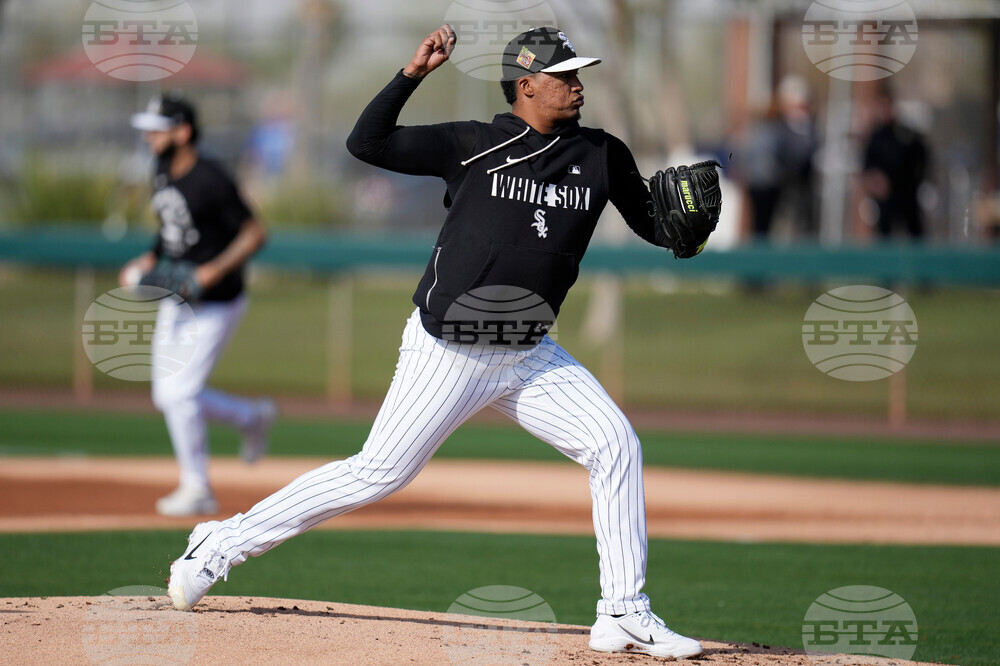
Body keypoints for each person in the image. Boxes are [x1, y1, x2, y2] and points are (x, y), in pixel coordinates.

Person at [166, 26, 703, 660]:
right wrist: (412, 74)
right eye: (564, 75)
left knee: (615, 444)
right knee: (376, 473)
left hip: (530, 354)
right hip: (449, 350)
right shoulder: (473, 144)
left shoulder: (601, 153)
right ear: (527, 86)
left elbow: (656, 225)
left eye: (579, 73)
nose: (577, 84)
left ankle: (623, 612)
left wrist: (686, 230)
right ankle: (219, 543)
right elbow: (366, 143)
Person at [120, 93, 276, 517]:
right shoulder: (161, 169)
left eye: (157, 130)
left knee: (181, 393)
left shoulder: (211, 178)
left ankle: (198, 487)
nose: (149, 138)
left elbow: (255, 233)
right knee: (167, 395)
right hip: (177, 293)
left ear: (183, 132)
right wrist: (150, 258)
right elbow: (170, 227)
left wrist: (213, 270)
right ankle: (250, 417)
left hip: (218, 300)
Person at [863, 88, 930, 240]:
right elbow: (868, 166)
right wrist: (875, 181)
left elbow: (921, 158)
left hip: (907, 193)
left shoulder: (906, 134)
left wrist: (917, 181)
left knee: (915, 232)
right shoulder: (876, 136)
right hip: (885, 196)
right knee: (885, 233)